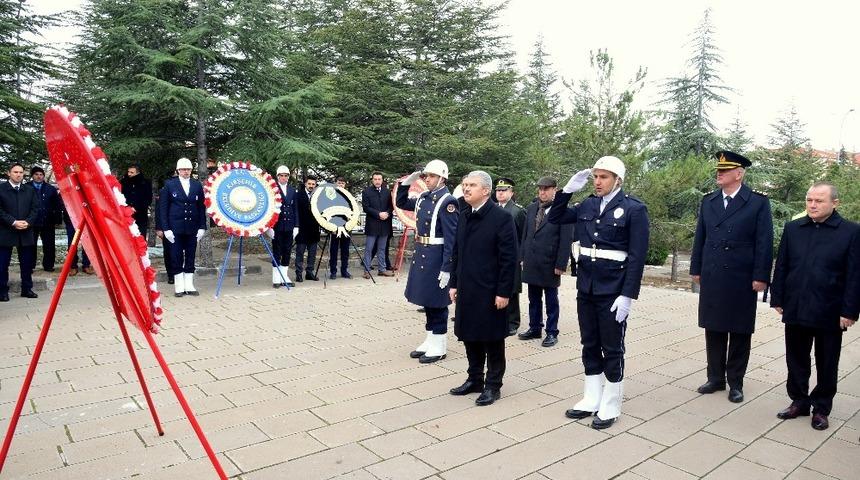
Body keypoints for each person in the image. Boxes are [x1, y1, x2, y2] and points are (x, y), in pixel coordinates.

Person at [548, 155, 649, 429]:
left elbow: (637, 257)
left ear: (618, 180)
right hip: (587, 286)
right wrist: (567, 191)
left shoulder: (633, 209)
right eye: (595, 176)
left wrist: (628, 295)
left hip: (613, 290)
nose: (597, 181)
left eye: (603, 177)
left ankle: (611, 404)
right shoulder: (588, 205)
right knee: (589, 343)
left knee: (612, 347)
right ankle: (592, 397)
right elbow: (555, 216)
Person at [770, 182, 859, 431]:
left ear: (835, 203)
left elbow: (855, 275)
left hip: (830, 310)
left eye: (819, 201)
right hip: (796, 306)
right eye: (809, 200)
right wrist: (777, 298)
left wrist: (850, 311)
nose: (812, 205)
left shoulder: (851, 232)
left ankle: (821, 407)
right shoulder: (794, 228)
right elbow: (783, 265)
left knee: (827, 361)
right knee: (796, 357)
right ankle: (799, 400)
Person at [690, 150, 773, 404]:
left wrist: (761, 276)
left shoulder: (757, 202)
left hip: (741, 275)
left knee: (739, 330)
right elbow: (700, 237)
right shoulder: (709, 200)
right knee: (713, 327)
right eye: (718, 170)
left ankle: (735, 381)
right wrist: (696, 268)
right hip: (714, 272)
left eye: (725, 171)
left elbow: (764, 242)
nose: (719, 173)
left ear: (739, 174)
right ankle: (715, 377)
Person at [448, 170, 518, 406]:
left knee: (492, 339)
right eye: (465, 184)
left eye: (472, 185)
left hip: (490, 290)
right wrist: (454, 283)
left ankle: (493, 385)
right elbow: (457, 251)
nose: (466, 188)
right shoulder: (465, 214)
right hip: (467, 288)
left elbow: (509, 259)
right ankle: (474, 378)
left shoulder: (501, 218)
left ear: (486, 191)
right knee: (470, 335)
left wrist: (503, 292)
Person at [396, 159, 459, 363]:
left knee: (438, 303)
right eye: (426, 176)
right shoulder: (425, 197)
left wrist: (447, 267)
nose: (427, 179)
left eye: (431, 176)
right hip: (423, 253)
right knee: (427, 301)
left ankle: (439, 345)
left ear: (442, 178)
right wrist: (406, 184)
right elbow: (402, 203)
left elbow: (451, 238)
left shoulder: (448, 201)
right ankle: (430, 339)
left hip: (437, 256)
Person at [518, 176, 573, 347]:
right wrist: (522, 256)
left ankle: (551, 332)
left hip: (550, 262)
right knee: (533, 298)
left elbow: (566, 240)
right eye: (540, 189)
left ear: (554, 190)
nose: (542, 192)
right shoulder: (532, 207)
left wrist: (561, 264)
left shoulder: (563, 210)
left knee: (551, 299)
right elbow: (526, 235)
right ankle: (535, 328)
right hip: (532, 261)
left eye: (546, 189)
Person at [157, 157, 207, 297]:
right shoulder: (169, 185)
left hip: (192, 227)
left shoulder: (196, 185)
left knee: (190, 256)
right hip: (175, 229)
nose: (186, 172)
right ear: (178, 170)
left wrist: (202, 227)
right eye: (183, 169)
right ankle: (179, 286)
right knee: (176, 256)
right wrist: (166, 229)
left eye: (188, 169)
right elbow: (163, 208)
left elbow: (201, 207)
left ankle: (189, 285)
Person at [0, 163, 39, 301]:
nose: (18, 175)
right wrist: (13, 222)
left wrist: (28, 222)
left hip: (25, 230)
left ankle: (27, 289)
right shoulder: (1, 189)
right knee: (2, 264)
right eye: (15, 172)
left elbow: (35, 209)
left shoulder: (29, 190)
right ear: (8, 173)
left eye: (21, 172)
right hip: (6, 231)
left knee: (27, 263)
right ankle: (2, 291)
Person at [494, 177, 526, 336]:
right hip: (495, 256)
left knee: (512, 289)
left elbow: (523, 235)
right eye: (498, 191)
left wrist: (521, 256)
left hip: (512, 256)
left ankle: (513, 322)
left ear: (511, 192)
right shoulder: (493, 209)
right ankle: (499, 318)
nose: (500, 193)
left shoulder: (517, 211)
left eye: (504, 190)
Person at [27, 166, 61, 272]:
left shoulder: (50, 189)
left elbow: (57, 205)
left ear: (43, 176)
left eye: (41, 174)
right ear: (32, 176)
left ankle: (48, 265)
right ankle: (30, 266)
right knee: (31, 245)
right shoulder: (26, 188)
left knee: (49, 245)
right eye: (36, 174)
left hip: (48, 221)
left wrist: (58, 220)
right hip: (31, 222)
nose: (39, 176)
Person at [270, 165, 299, 287]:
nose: (284, 178)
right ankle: (276, 278)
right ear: (277, 176)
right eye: (281, 175)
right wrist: (269, 227)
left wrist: (296, 225)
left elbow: (295, 209)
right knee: (277, 251)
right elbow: (269, 209)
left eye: (286, 175)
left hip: (289, 225)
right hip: (277, 226)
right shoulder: (272, 189)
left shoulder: (292, 190)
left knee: (287, 251)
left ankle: (284, 276)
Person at [362, 172, 394, 278]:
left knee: (382, 249)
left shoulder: (387, 192)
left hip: (384, 224)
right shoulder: (366, 192)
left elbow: (391, 206)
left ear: (382, 180)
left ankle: (382, 269)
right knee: (369, 248)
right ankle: (366, 270)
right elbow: (366, 207)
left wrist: (387, 213)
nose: (377, 181)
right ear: (372, 180)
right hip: (372, 225)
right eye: (375, 179)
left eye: (379, 179)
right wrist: (378, 214)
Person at [295, 175, 321, 282]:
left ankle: (310, 272)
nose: (311, 186)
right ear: (305, 184)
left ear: (315, 185)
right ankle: (299, 273)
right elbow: (296, 211)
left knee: (312, 254)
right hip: (302, 229)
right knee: (300, 253)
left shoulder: (318, 196)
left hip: (314, 230)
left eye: (313, 184)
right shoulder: (298, 195)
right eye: (309, 184)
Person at [59, 192, 92, 276]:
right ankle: (73, 266)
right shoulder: (67, 187)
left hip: (85, 218)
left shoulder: (84, 186)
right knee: (72, 243)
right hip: (71, 219)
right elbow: (61, 202)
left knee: (87, 243)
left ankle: (86, 265)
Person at [327, 177, 353, 279]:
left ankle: (344, 271)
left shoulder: (349, 197)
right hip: (334, 228)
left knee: (345, 251)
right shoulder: (331, 196)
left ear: (345, 185)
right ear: (335, 184)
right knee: (333, 251)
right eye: (339, 183)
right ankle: (333, 271)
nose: (341, 185)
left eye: (342, 183)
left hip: (346, 228)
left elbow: (353, 212)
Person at [120, 163, 153, 236]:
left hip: (140, 216)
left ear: (138, 172)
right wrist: (126, 208)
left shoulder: (145, 183)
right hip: (125, 215)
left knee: (140, 237)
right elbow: (119, 196)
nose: (129, 174)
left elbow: (148, 199)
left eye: (132, 172)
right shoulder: (123, 182)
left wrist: (136, 208)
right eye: (128, 172)